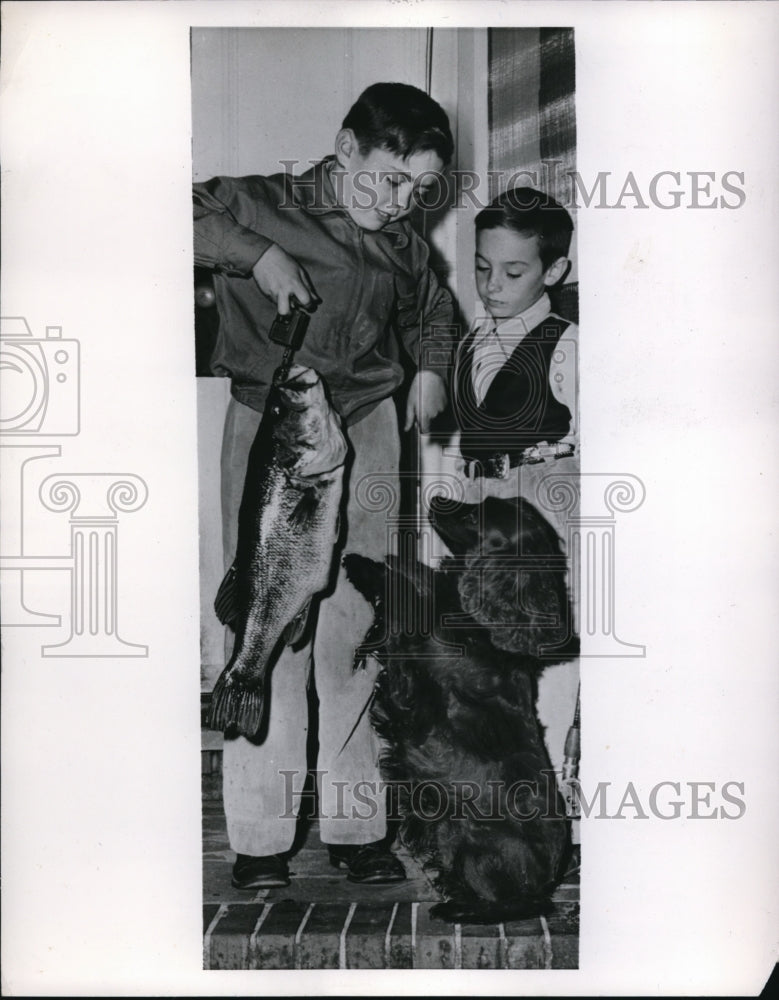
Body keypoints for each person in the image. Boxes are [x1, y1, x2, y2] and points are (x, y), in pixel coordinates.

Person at [193, 83, 456, 890]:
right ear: (345, 150)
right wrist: (256, 255)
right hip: (273, 426)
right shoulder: (259, 202)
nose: (400, 201)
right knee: (272, 623)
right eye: (386, 178)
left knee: (356, 628)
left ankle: (356, 827)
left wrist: (432, 373)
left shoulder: (405, 241)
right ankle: (262, 839)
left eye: (419, 189)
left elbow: (431, 312)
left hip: (370, 432)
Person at [449, 186, 580, 790]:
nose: (491, 284)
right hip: (487, 513)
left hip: (544, 510)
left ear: (554, 270)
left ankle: (560, 818)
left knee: (546, 669)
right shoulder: (475, 339)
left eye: (512, 271)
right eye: (481, 267)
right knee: (493, 665)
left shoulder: (568, 345)